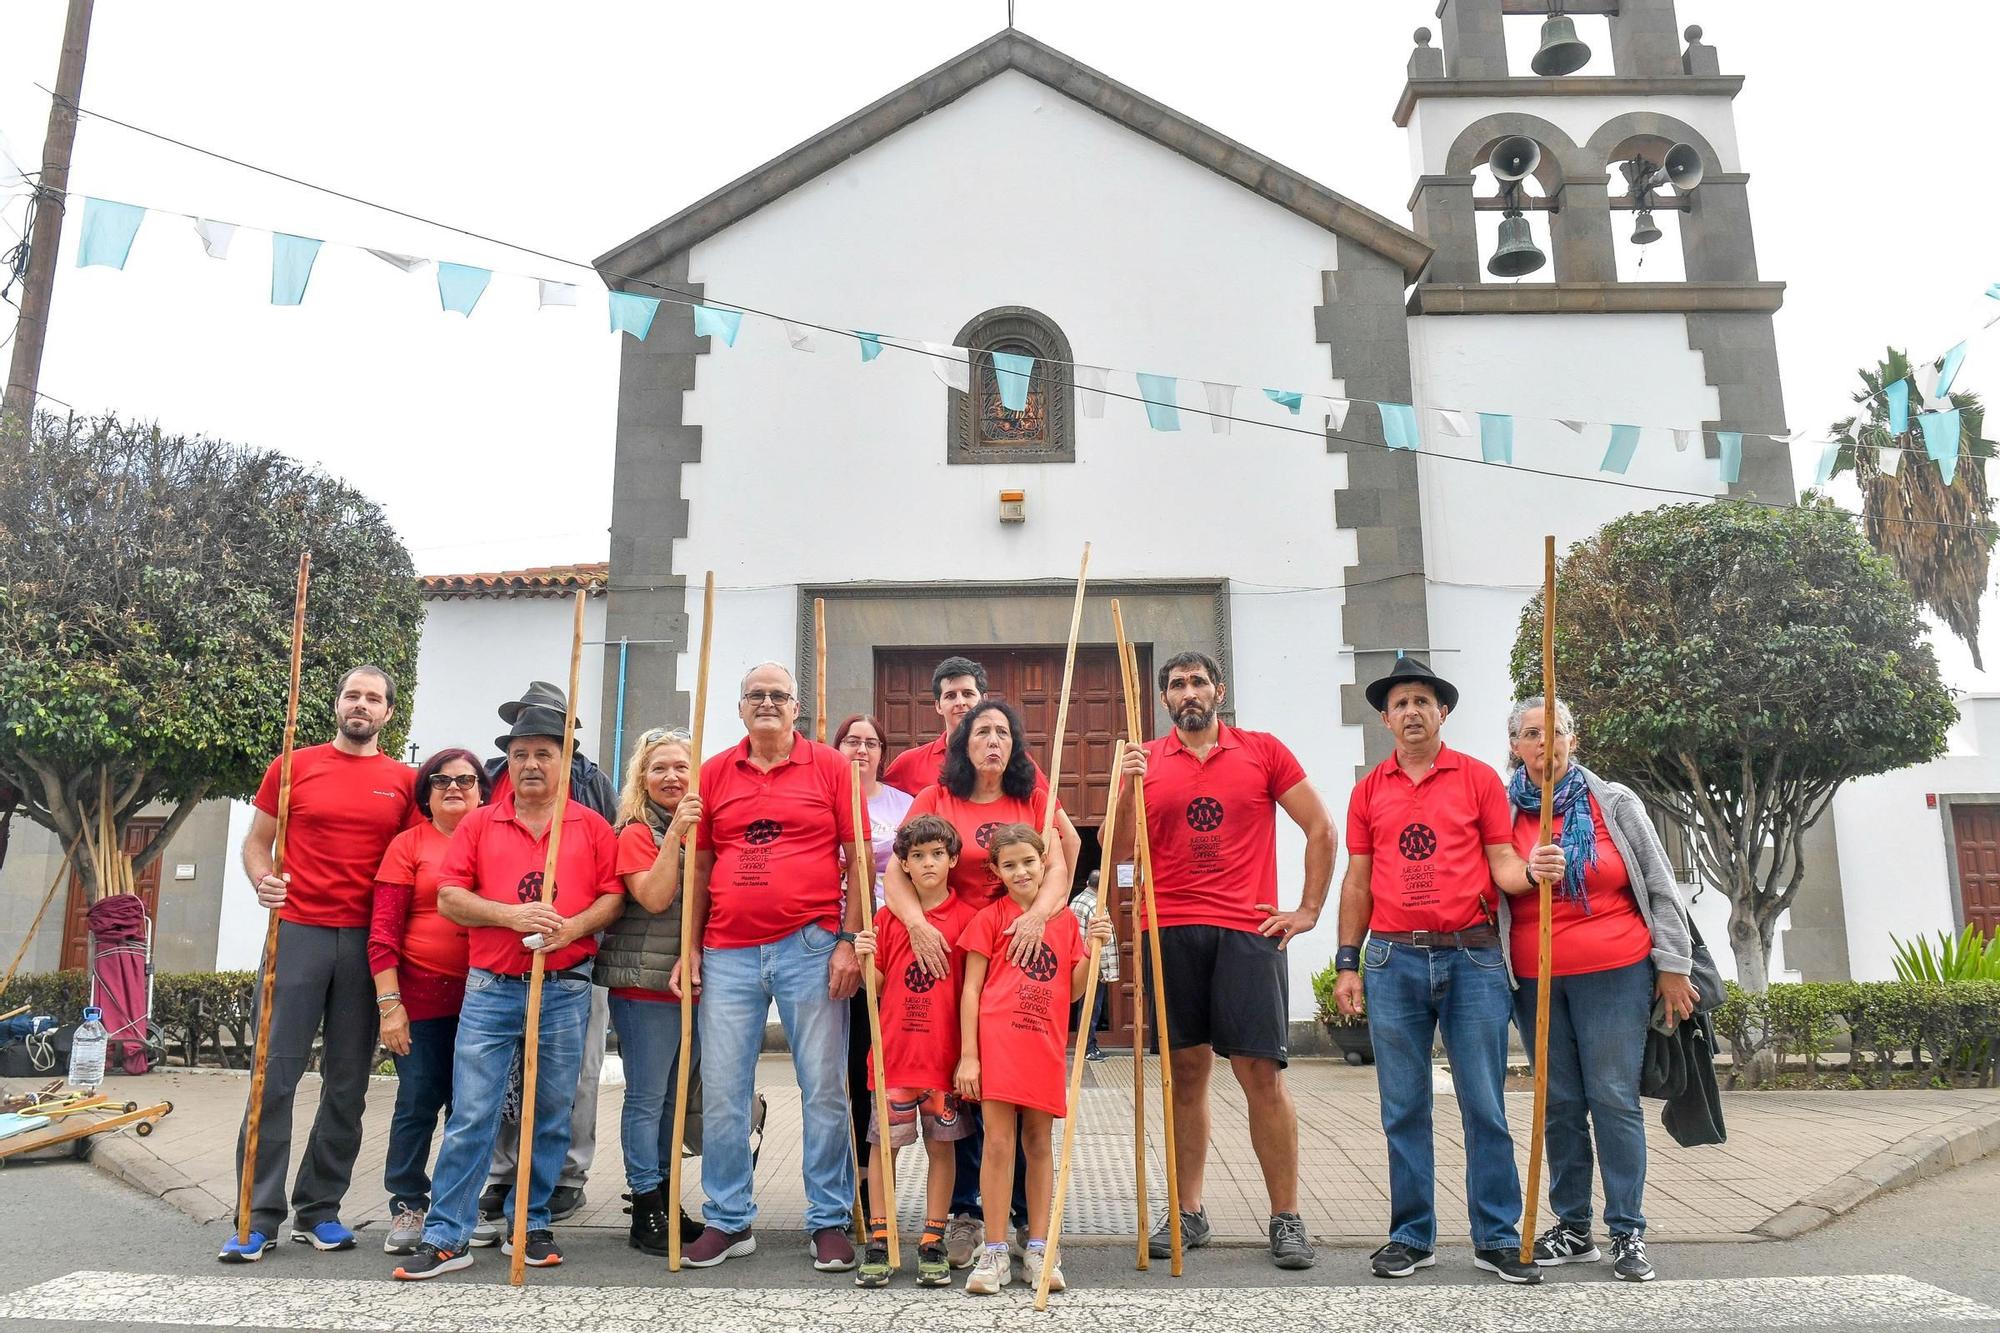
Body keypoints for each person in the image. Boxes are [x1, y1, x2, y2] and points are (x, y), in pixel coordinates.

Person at [1331, 657, 1563, 1286]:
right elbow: (1356, 881)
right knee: (1402, 1106)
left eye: (1423, 702)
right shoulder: (1368, 790)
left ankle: (1495, 1235)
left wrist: (1533, 870)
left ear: (1443, 712)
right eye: (1400, 703)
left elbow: (1502, 866)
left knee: (1484, 1103)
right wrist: (1346, 963)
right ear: (1385, 717)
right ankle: (1411, 1235)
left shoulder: (1480, 780)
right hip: (1391, 957)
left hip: (1472, 956)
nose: (1412, 712)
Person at [1111, 650, 1336, 1270]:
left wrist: (1308, 909)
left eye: (1198, 682)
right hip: (1172, 930)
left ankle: (1286, 1217)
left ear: (1219, 690)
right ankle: (1188, 1211)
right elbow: (1120, 854)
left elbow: (1320, 826)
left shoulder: (1263, 751)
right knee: (1185, 1075)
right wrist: (1125, 791)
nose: (1189, 692)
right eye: (1177, 685)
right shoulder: (1145, 762)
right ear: (1164, 701)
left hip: (1247, 931)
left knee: (1261, 1075)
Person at [391, 706, 627, 1280]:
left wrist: (571, 928)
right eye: (520, 755)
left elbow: (612, 897)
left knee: (550, 1111)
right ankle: (450, 1232)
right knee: (473, 1111)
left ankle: (532, 1216)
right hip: (492, 988)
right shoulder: (479, 824)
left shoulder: (591, 826)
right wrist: (511, 913)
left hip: (565, 990)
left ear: (565, 763)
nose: (530, 765)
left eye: (544, 754)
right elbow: (450, 897)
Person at [673, 662, 870, 1272]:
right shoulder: (712, 773)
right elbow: (701, 868)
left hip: (811, 945)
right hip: (727, 949)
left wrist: (849, 940)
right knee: (726, 1092)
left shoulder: (830, 767)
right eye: (755, 694)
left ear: (795, 709)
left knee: (825, 1088)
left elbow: (857, 856)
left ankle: (829, 1218)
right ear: (740, 708)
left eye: (777, 695)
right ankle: (729, 1220)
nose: (766, 703)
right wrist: (689, 948)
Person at [223, 665, 416, 1263]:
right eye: (353, 695)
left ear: (388, 713)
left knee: (348, 1085)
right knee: (272, 1078)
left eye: (374, 698)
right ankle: (255, 1217)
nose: (362, 705)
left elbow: (412, 861)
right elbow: (258, 842)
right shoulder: (292, 767)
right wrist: (263, 880)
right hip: (297, 934)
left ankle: (319, 1208)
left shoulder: (405, 783)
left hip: (367, 943)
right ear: (337, 704)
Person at [1504, 697, 1699, 1284]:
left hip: (1616, 969)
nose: (1546, 743)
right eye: (1532, 734)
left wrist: (1673, 964)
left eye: (1556, 731)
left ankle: (1627, 1229)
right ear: (1515, 745)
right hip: (1533, 978)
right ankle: (1572, 1224)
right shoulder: (1498, 810)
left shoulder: (1612, 802)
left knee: (1612, 1096)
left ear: (1574, 740)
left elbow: (1660, 887)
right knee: (1558, 1101)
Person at [884, 697, 1079, 1266]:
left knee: (1016, 1089)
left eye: (1003, 732)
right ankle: (969, 1213)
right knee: (965, 1082)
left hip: (1019, 955)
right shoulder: (936, 798)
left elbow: (1064, 855)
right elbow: (896, 868)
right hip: (954, 953)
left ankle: (1025, 1219)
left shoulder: (1034, 797)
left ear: (1015, 746)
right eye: (981, 732)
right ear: (962, 744)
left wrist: (1040, 916)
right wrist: (917, 924)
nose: (992, 740)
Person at [474, 681, 618, 1240]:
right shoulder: (493, 775)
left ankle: (565, 1173)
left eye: (548, 737)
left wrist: (579, 929)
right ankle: (504, 1172)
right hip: (501, 954)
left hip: (578, 955)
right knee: (507, 1075)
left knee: (574, 1071)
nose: (532, 757)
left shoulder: (592, 781)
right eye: (523, 738)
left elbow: (610, 856)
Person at [954, 824, 1112, 1296]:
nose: (1021, 871)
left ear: (1045, 862)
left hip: (1043, 1046)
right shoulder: (988, 919)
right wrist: (969, 1056)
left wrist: (1096, 948)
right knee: (998, 1144)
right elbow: (971, 990)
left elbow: (1073, 991)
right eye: (1009, 864)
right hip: (997, 1045)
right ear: (996, 872)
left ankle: (1041, 1244)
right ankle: (997, 1250)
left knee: (1039, 1143)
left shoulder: (1064, 923)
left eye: (1029, 861)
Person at [850, 814, 978, 1290]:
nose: (928, 863)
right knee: (884, 1150)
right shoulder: (888, 919)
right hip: (894, 1060)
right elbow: (879, 988)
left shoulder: (967, 919)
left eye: (937, 855)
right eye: (917, 856)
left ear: (953, 860)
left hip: (942, 1063)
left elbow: (971, 991)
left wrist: (969, 1055)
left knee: (942, 1151)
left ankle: (931, 1240)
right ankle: (881, 1242)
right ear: (901, 863)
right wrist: (866, 958)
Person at [370, 747, 489, 1256]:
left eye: (465, 780)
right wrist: (390, 1005)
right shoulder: (408, 845)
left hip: (487, 1000)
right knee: (418, 1103)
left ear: (483, 789)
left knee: (473, 1109)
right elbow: (382, 935)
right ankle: (408, 1204)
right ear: (426, 793)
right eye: (441, 781)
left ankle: (456, 1206)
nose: (454, 788)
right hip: (419, 999)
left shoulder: (495, 840)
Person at [599, 726, 707, 1255]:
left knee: (672, 1103)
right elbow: (658, 897)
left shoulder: (701, 828)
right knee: (646, 1099)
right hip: (644, 987)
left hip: (690, 985)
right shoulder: (637, 832)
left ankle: (666, 1197)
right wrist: (676, 836)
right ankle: (645, 1206)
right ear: (642, 777)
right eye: (659, 768)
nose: (671, 776)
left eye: (681, 767)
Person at [833, 714, 914, 1189]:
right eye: (851, 741)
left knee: (873, 1063)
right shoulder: (823, 799)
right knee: (835, 1069)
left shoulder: (903, 805)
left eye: (871, 742)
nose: (860, 750)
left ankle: (871, 1182)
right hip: (832, 942)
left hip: (887, 948)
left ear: (883, 753)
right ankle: (837, 1180)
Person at [879, 656, 992, 796]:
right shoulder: (909, 763)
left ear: (984, 700)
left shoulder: (1007, 758)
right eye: (951, 696)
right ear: (938, 706)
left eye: (967, 694)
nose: (960, 702)